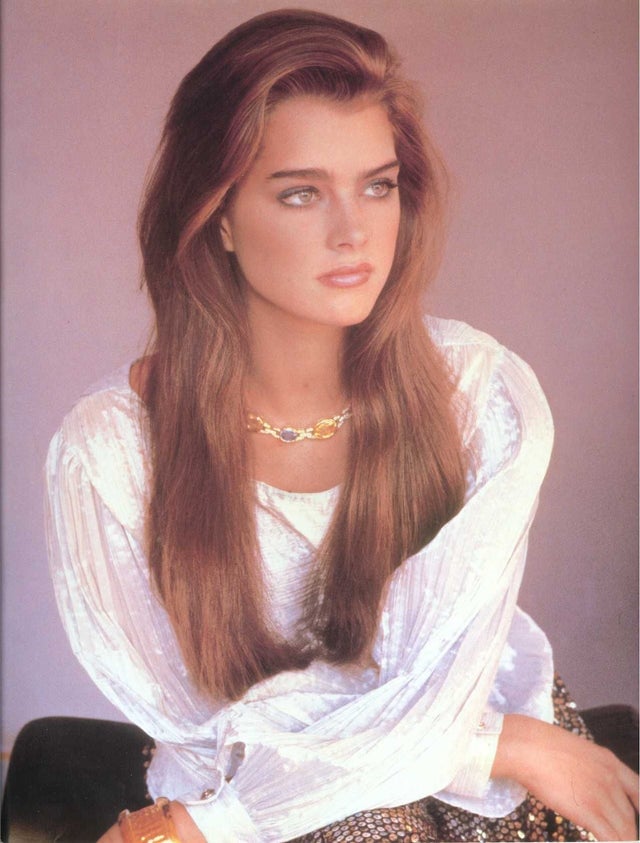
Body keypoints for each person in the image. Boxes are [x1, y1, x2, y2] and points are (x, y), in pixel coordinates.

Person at [45, 9, 638, 843]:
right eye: (300, 193)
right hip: (270, 786)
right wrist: (495, 747)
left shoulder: (479, 395)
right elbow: (206, 723)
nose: (353, 232)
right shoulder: (110, 454)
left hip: (501, 754)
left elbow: (441, 678)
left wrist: (503, 741)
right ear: (216, 215)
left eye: (377, 184)